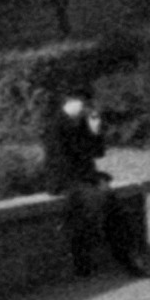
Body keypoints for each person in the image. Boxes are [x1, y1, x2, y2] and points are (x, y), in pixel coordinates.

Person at [37, 92, 130, 276]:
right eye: (85, 104)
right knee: (90, 203)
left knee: (110, 200)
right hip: (64, 178)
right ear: (72, 102)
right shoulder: (55, 125)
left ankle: (122, 252)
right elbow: (63, 160)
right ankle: (83, 259)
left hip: (82, 177)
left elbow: (97, 153)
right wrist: (90, 177)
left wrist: (95, 131)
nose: (87, 109)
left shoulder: (80, 123)